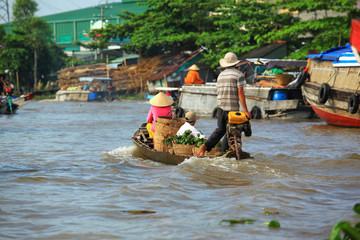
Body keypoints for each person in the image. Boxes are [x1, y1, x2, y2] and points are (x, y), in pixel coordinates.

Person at [196, 52, 251, 156]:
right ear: (235, 64)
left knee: (220, 130)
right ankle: (222, 152)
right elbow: (240, 93)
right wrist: (246, 111)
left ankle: (205, 146)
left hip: (221, 107)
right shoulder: (238, 75)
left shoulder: (220, 75)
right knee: (231, 132)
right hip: (233, 108)